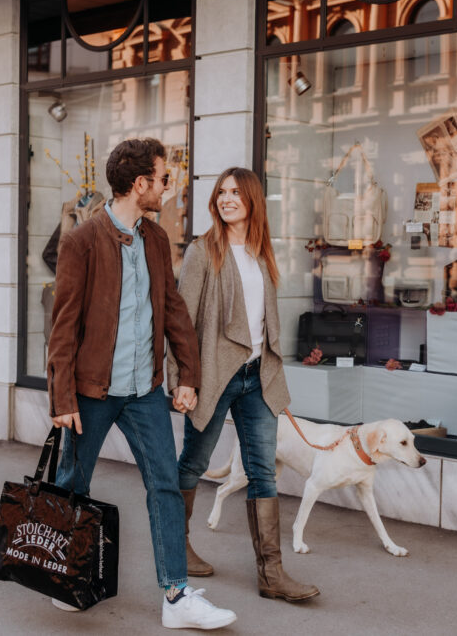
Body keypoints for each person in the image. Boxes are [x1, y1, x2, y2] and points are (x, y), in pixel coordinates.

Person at [48, 138, 237, 630]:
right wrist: (61, 397)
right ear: (140, 185)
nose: (166, 187)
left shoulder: (155, 239)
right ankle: (67, 578)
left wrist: (188, 376)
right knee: (72, 486)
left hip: (144, 392)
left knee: (165, 485)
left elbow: (173, 311)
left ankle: (176, 597)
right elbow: (63, 327)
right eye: (162, 178)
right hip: (91, 392)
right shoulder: (82, 241)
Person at [170, 167, 319, 603]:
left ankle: (271, 574)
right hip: (215, 375)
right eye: (221, 192)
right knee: (193, 464)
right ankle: (176, 547)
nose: (226, 198)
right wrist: (184, 380)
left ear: (253, 199)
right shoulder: (203, 251)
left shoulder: (261, 251)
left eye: (236, 192)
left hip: (258, 376)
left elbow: (266, 319)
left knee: (263, 474)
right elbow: (182, 321)